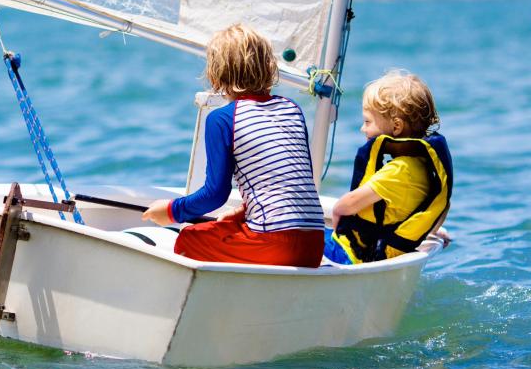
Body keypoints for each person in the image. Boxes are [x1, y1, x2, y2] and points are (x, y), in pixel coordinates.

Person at [142, 23, 324, 267]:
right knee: (227, 223)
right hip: (313, 244)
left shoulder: (222, 119)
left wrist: (172, 211)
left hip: (275, 243)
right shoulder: (292, 109)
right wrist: (242, 213)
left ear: (216, 74)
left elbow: (215, 194)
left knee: (188, 240)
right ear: (269, 66)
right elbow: (288, 181)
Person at [323, 70, 452, 265]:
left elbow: (348, 204)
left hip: (350, 254)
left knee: (296, 229)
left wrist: (338, 213)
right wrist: (433, 233)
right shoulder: (422, 168)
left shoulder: (400, 170)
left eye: (367, 121)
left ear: (397, 126)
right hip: (379, 252)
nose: (362, 128)